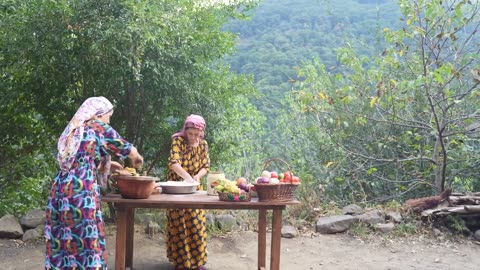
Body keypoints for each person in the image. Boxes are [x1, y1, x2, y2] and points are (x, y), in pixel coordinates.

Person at [44, 96, 143, 270]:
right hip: (80, 192)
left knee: (63, 242)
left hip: (60, 191)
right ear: (98, 114)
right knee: (85, 242)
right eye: (108, 116)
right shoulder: (97, 125)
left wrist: (109, 165)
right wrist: (137, 161)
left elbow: (79, 160)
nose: (108, 120)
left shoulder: (74, 129)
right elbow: (130, 151)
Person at [166, 114, 210, 270]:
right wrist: (187, 178)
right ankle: (181, 263)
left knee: (196, 224)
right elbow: (173, 163)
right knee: (179, 225)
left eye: (196, 134)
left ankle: (198, 262)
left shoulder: (203, 145)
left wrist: (197, 177)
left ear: (201, 133)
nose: (192, 137)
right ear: (185, 130)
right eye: (190, 133)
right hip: (176, 187)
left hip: (195, 189)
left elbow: (206, 166)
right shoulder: (178, 141)